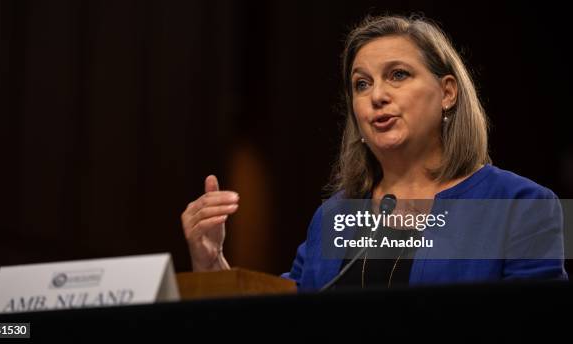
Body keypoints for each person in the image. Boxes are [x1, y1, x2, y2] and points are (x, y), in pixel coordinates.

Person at [180, 15, 568, 291]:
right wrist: (212, 264)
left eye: (398, 75)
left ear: (447, 92)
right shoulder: (335, 216)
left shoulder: (521, 205)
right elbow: (279, 317)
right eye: (361, 84)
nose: (377, 96)